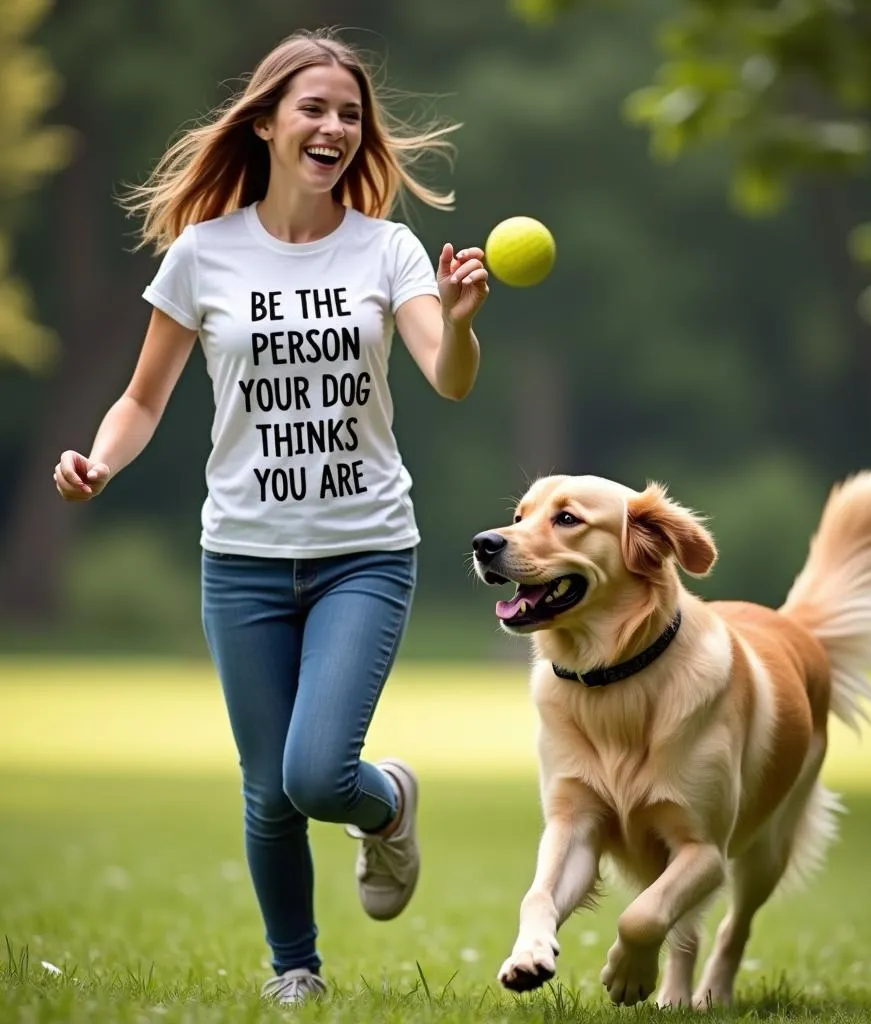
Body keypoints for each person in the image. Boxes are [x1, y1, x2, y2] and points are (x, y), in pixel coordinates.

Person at [53, 28, 489, 1004]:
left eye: (350, 114)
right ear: (265, 122)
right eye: (315, 109)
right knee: (267, 791)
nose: (335, 126)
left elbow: (447, 380)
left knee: (315, 774)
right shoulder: (204, 254)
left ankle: (384, 804)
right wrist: (100, 461)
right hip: (242, 556)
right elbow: (143, 397)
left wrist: (459, 326)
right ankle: (296, 968)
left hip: (362, 553)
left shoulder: (389, 250)